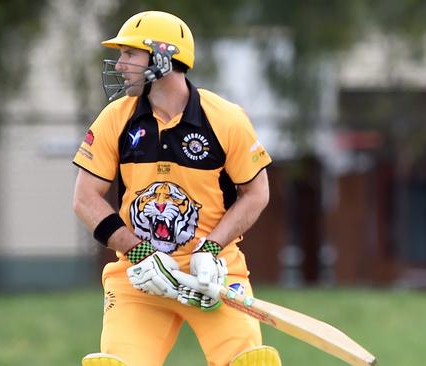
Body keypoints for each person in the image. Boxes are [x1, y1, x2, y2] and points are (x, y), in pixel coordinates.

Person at [72, 10, 280, 366]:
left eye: (130, 54)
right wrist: (141, 254)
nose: (120, 65)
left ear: (163, 58)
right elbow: (84, 199)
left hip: (214, 277)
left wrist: (210, 249)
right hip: (141, 279)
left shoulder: (225, 118)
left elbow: (257, 193)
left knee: (251, 362)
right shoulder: (114, 119)